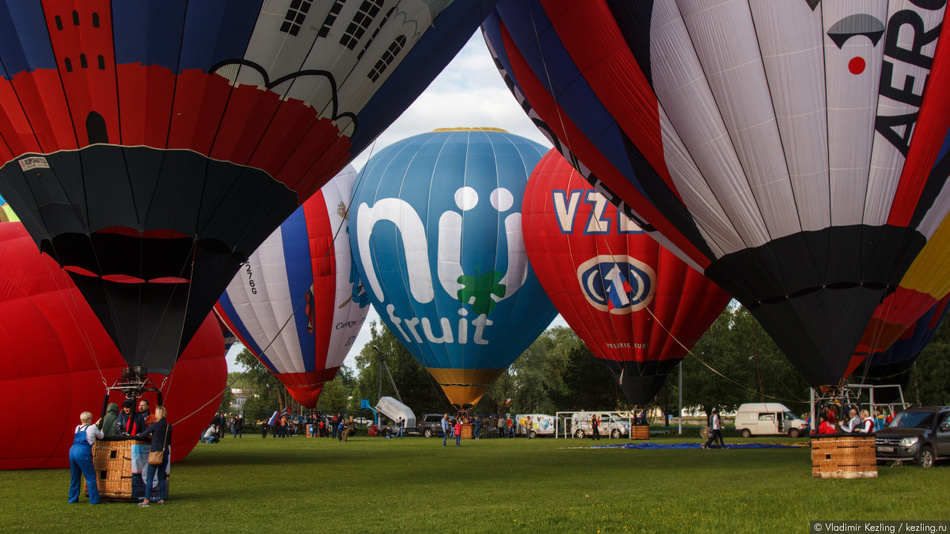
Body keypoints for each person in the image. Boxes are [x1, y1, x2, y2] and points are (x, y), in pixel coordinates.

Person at [136, 406, 172, 507]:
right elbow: (169, 441)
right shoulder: (169, 426)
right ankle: (161, 499)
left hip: (155, 453)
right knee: (161, 477)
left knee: (149, 478)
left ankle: (146, 500)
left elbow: (143, 435)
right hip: (164, 453)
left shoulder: (154, 425)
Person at [68, 411, 104, 504]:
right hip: (83, 451)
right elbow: (101, 436)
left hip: (72, 450)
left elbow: (89, 429)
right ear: (89, 419)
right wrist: (101, 429)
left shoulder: (77, 427)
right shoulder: (92, 428)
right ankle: (94, 500)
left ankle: (72, 499)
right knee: (90, 477)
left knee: (75, 477)